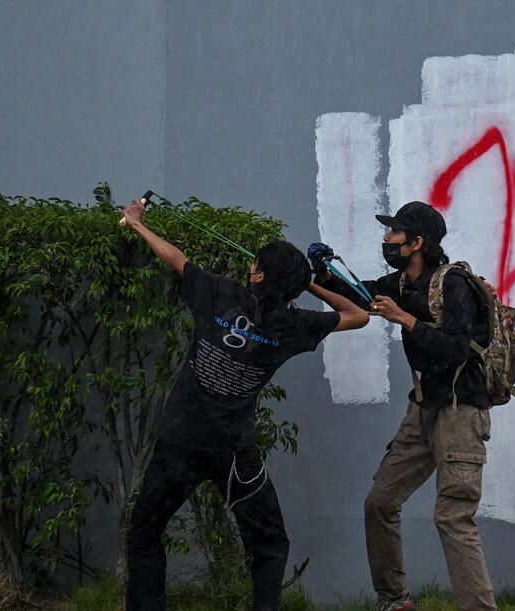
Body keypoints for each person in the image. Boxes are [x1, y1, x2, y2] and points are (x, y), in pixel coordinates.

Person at [119, 197, 369, 611]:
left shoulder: (220, 294)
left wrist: (136, 223)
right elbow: (357, 314)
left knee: (144, 532)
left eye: (255, 263)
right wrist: (304, 282)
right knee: (269, 544)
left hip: (179, 442)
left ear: (255, 274)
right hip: (233, 452)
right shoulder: (294, 324)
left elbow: (175, 258)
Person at [313, 201, 496, 611]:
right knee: (380, 503)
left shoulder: (453, 285)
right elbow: (358, 294)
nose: (386, 239)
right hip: (423, 410)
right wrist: (322, 273)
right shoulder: (400, 283)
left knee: (453, 518)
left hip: (460, 412)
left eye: (394, 233)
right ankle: (395, 601)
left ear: (417, 242)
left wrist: (404, 320)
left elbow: (458, 349)